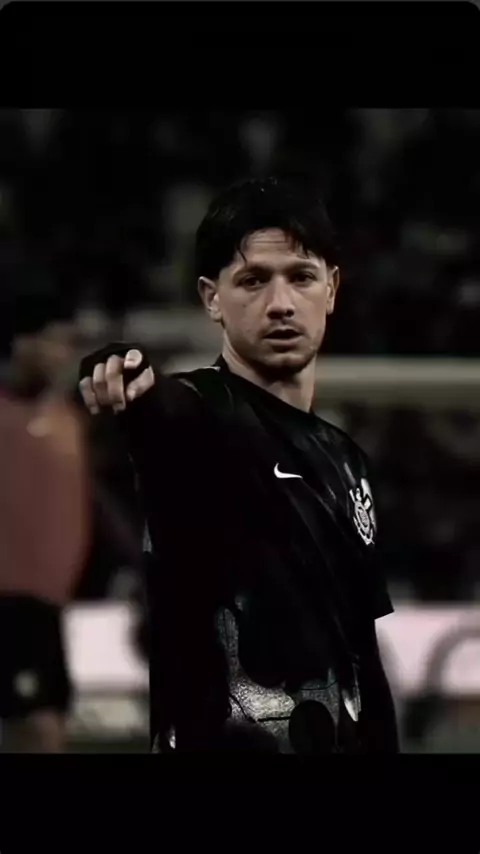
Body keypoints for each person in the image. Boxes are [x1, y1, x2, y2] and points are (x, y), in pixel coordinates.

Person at [79, 176, 399, 754]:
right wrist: (123, 372)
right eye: (253, 280)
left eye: (301, 277)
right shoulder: (199, 413)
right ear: (211, 298)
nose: (281, 304)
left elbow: (364, 661)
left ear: (331, 289)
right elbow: (160, 410)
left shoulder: (348, 460)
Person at [0, 266, 89, 752]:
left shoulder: (66, 419)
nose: (64, 355)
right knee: (36, 733)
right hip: (7, 605)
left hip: (47, 609)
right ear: (20, 343)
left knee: (46, 731)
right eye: (56, 342)